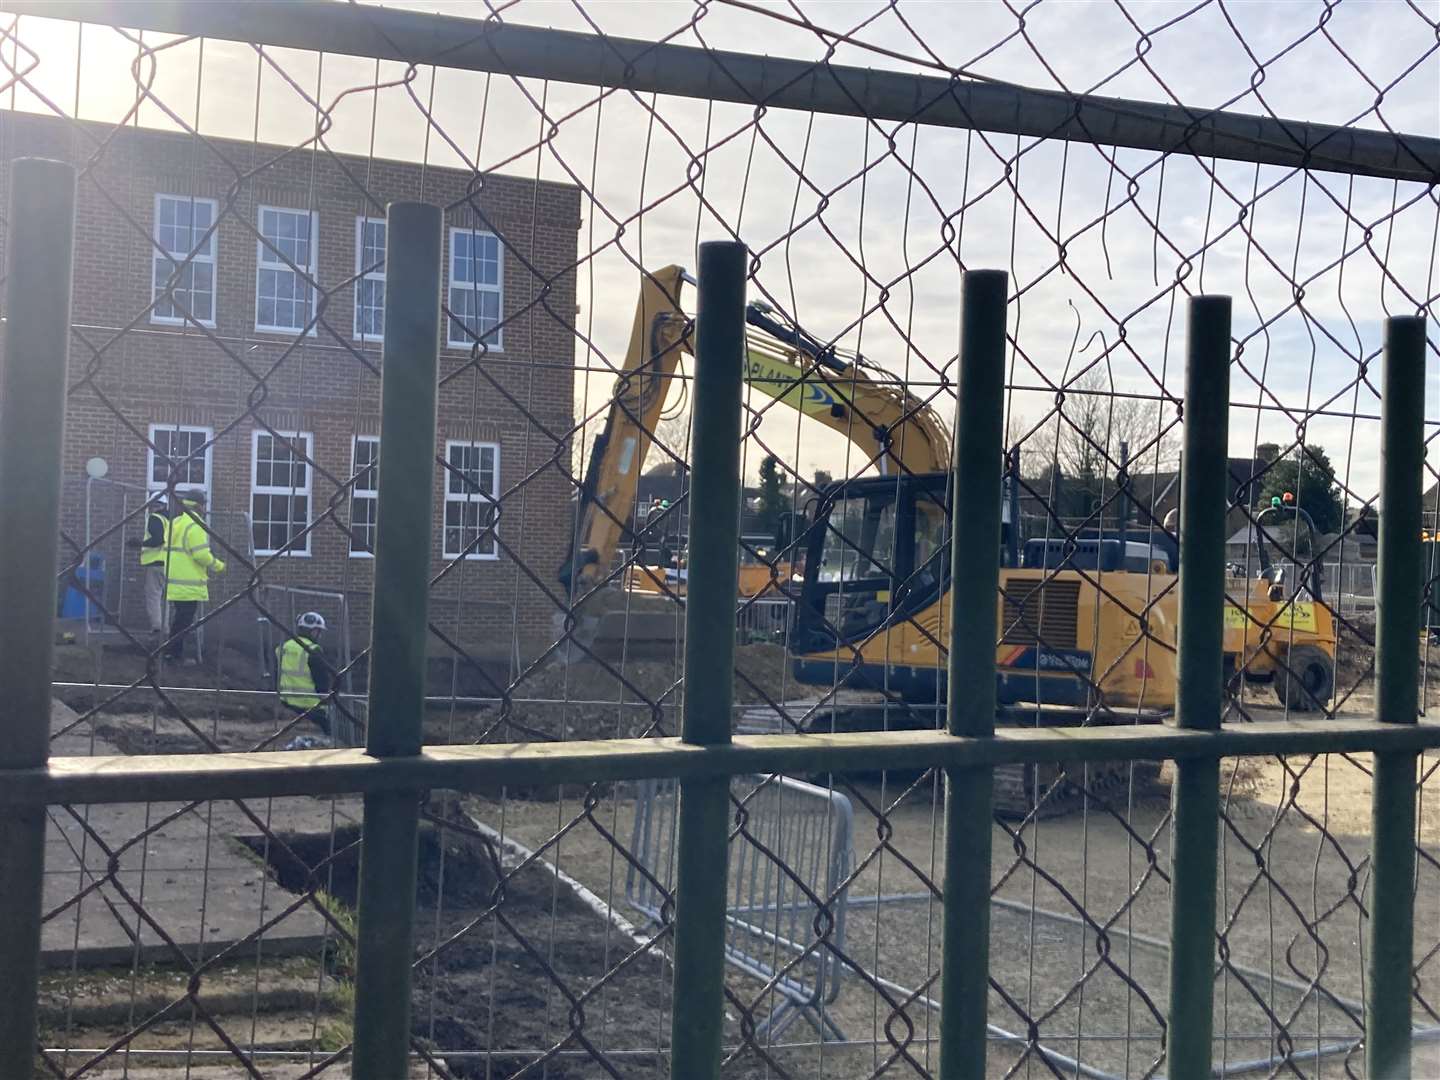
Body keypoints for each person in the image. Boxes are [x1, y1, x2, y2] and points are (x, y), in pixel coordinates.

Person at [164, 490, 225, 663]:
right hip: (188, 583)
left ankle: (172, 653)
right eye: (203, 504)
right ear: (199, 505)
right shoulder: (196, 525)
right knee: (184, 622)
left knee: (179, 620)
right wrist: (219, 566)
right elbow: (201, 556)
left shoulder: (175, 522)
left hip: (174, 580)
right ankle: (174, 655)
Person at [276, 611, 334, 747]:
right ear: (314, 631)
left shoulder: (283, 647)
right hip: (311, 706)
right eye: (319, 632)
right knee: (328, 737)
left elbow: (278, 674)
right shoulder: (313, 650)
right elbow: (322, 681)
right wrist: (327, 700)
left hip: (287, 702)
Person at [134, 495, 169, 639]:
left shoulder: (155, 518)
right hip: (170, 563)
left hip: (156, 563)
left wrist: (140, 544)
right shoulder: (171, 520)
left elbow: (158, 540)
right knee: (165, 598)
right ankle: (165, 629)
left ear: (155, 505)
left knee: (153, 596)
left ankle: (157, 629)